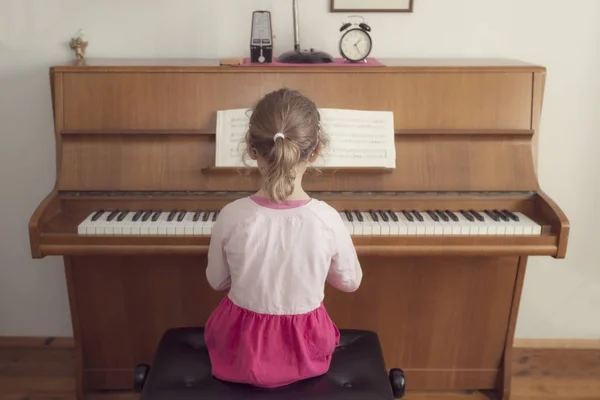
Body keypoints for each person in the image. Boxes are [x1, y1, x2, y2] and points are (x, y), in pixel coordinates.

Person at [204, 88, 363, 388]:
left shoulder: (231, 215)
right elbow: (350, 282)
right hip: (305, 353)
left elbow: (216, 281)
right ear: (315, 151)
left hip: (241, 351)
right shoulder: (327, 219)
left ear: (252, 150)